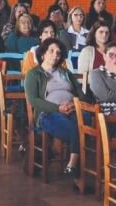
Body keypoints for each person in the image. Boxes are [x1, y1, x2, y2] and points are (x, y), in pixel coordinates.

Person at [24, 38, 81, 174]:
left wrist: (74, 105)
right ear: (43, 54)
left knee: (86, 122)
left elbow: (81, 94)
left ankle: (75, 167)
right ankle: (75, 165)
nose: (56, 55)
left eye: (59, 53)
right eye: (52, 51)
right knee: (78, 130)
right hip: (48, 113)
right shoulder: (34, 74)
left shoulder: (66, 73)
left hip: (73, 110)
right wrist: (58, 108)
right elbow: (33, 100)